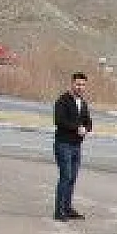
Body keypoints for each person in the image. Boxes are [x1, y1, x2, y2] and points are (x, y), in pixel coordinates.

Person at [52, 72, 92, 221]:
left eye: (83, 85)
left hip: (76, 146)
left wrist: (86, 129)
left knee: (72, 178)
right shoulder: (63, 101)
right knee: (66, 176)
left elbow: (89, 122)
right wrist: (77, 128)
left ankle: (68, 208)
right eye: (78, 84)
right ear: (72, 84)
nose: (80, 87)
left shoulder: (83, 102)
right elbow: (59, 121)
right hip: (63, 145)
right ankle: (59, 211)